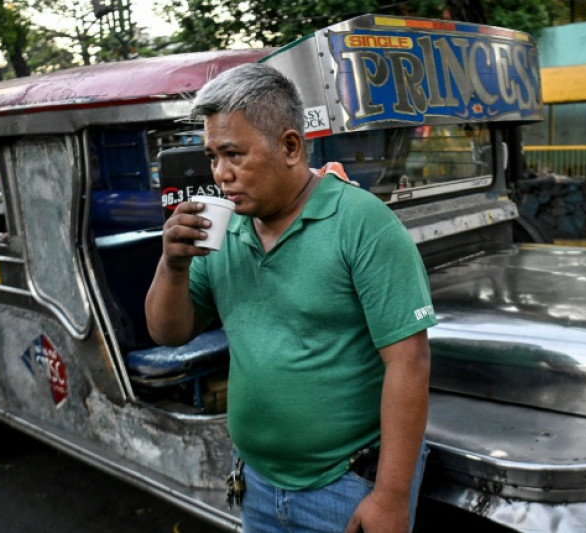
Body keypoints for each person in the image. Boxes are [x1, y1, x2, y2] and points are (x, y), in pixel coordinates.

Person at [144, 63, 437, 533]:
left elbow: (410, 361)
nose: (220, 174)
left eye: (234, 154)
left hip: (347, 486)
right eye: (213, 156)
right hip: (258, 483)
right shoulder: (224, 230)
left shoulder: (362, 223)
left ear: (290, 147)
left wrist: (390, 496)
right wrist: (173, 265)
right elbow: (169, 332)